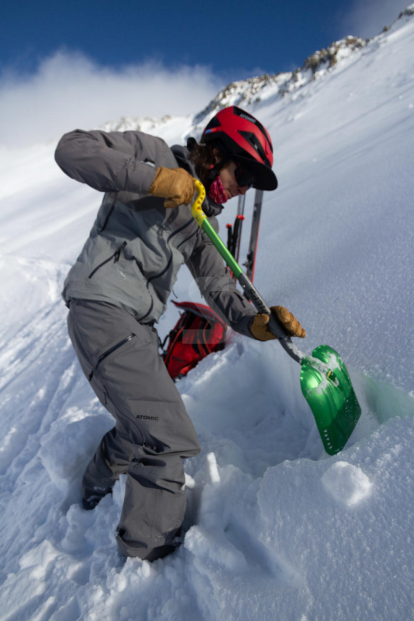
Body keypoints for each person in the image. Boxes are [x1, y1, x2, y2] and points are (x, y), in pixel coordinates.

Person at [55, 105, 306, 562]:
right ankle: (145, 556)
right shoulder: (154, 156)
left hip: (138, 327)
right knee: (169, 434)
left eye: (250, 182)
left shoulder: (200, 220)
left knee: (141, 427)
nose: (241, 188)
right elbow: (70, 149)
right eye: (241, 173)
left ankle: (92, 487)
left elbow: (220, 291)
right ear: (215, 154)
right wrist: (154, 180)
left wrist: (258, 324)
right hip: (102, 307)